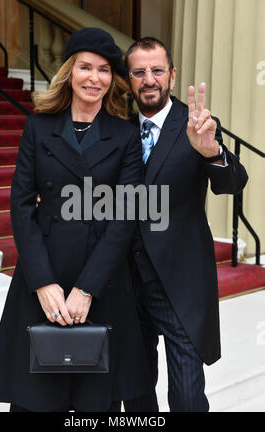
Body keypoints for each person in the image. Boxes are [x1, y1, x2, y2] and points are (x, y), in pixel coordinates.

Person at [0, 28, 152, 412]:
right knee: (36, 399)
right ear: (70, 72)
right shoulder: (38, 128)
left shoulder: (124, 136)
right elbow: (21, 206)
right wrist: (42, 283)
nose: (95, 78)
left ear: (113, 80)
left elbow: (124, 216)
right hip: (44, 275)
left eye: (105, 70)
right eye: (86, 67)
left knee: (96, 405)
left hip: (102, 281)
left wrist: (87, 288)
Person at [123, 37, 248, 412]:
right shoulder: (118, 130)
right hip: (127, 282)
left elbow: (232, 183)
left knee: (187, 398)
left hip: (180, 285)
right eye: (139, 72)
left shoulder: (197, 127)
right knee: (135, 392)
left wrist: (211, 150)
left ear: (172, 76)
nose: (149, 80)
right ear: (129, 80)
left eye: (157, 70)